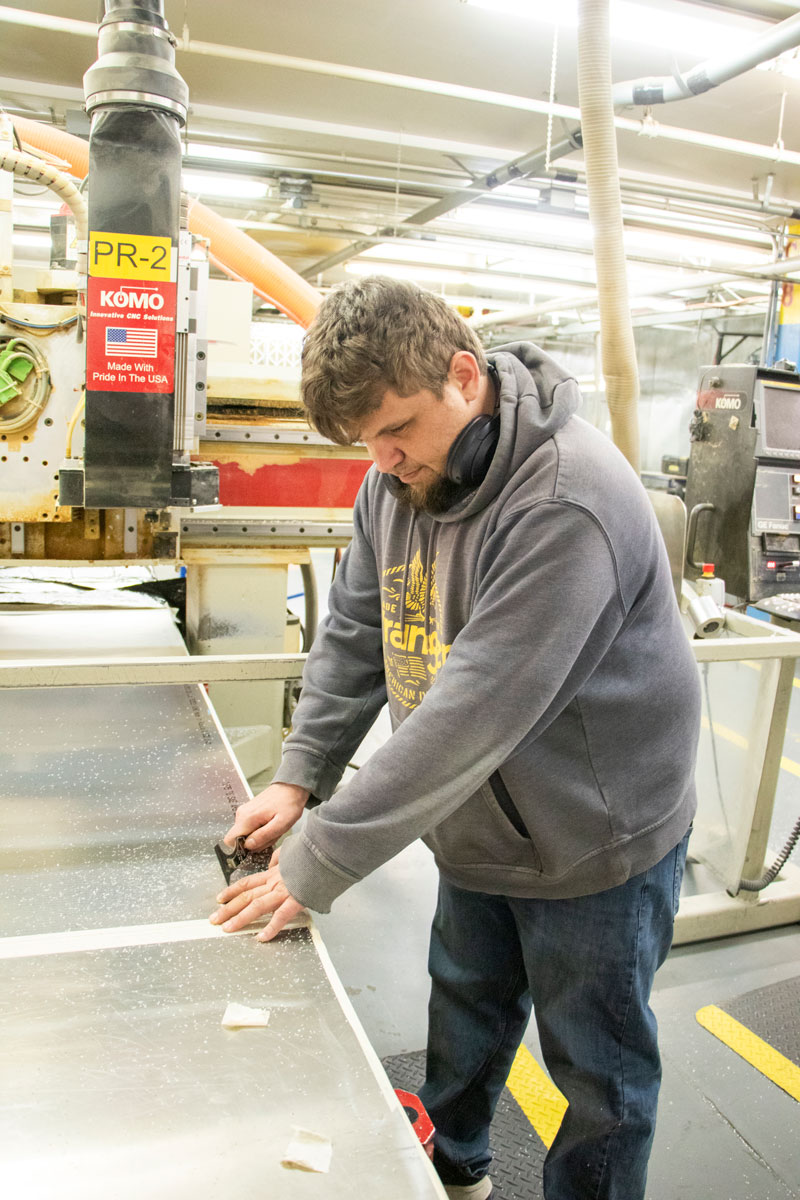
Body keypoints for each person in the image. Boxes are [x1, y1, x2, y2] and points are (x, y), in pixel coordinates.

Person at [210, 276, 701, 1200]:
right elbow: (358, 627)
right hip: (477, 822)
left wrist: (316, 862)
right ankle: (455, 1162)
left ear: (463, 376)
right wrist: (299, 777)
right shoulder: (396, 476)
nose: (385, 459)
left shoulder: (566, 501)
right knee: (467, 1010)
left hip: (594, 839)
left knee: (600, 1073)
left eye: (396, 430)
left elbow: (472, 714)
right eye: (367, 444)